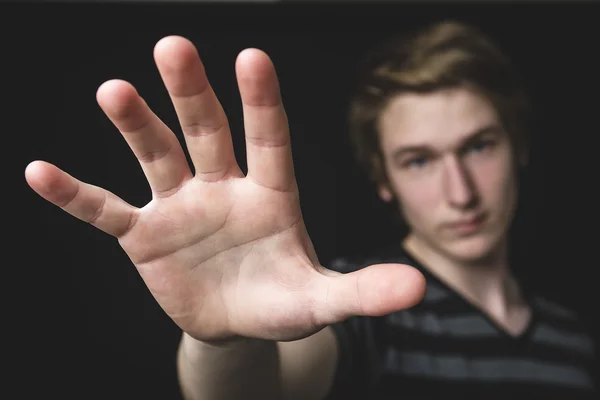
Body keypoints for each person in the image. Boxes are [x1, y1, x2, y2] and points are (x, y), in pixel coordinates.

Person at [24, 20, 595, 400]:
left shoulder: (575, 341)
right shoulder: (349, 304)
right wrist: (225, 338)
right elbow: (260, 391)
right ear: (383, 179)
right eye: (418, 160)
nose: (460, 191)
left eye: (478, 146)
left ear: (518, 145)